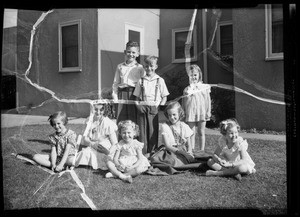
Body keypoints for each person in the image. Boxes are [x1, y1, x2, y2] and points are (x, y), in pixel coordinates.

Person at [148, 101, 198, 175]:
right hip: (171, 151)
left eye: (174, 114)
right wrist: (181, 152)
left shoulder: (184, 126)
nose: (172, 117)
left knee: (189, 159)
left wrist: (189, 152)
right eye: (169, 115)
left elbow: (189, 144)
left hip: (183, 151)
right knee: (171, 161)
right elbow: (167, 145)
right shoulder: (165, 126)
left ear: (180, 113)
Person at [133, 55, 169, 155]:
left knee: (153, 131)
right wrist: (138, 106)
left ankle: (152, 153)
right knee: (142, 131)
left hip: (154, 108)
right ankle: (143, 154)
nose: (149, 68)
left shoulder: (160, 80)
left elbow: (164, 96)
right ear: (144, 67)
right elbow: (136, 98)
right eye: (146, 66)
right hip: (142, 108)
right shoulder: (141, 80)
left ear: (156, 66)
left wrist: (159, 107)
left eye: (151, 66)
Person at [75, 103, 118, 170]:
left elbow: (115, 143)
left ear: (104, 110)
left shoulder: (108, 123)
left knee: (102, 157)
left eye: (101, 110)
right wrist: (92, 144)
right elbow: (85, 137)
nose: (98, 112)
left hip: (104, 147)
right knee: (85, 153)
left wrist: (108, 152)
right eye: (95, 109)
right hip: (92, 145)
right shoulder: (89, 120)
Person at [112, 41, 145, 125]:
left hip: (134, 94)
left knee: (133, 119)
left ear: (138, 54)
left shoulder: (140, 68)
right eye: (129, 52)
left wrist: (141, 98)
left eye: (133, 52)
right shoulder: (120, 66)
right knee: (121, 119)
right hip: (122, 94)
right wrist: (115, 97)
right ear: (125, 52)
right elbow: (116, 83)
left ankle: (134, 137)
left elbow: (143, 84)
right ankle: (121, 138)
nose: (131, 54)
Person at [182, 64, 211, 154]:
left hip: (201, 112)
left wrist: (208, 111)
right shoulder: (187, 89)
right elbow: (183, 102)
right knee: (191, 133)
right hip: (190, 112)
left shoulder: (204, 87)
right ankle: (192, 150)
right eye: (191, 75)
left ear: (199, 75)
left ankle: (201, 150)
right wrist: (183, 113)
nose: (193, 77)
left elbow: (208, 100)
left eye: (195, 75)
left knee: (201, 131)